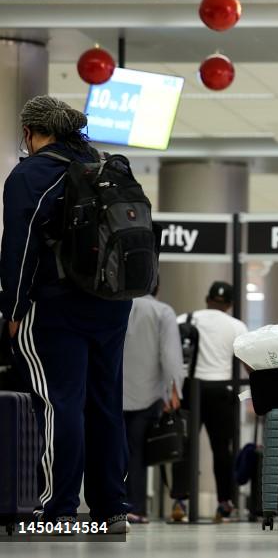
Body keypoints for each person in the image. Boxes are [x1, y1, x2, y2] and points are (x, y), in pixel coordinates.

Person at [0, 96, 133, 532]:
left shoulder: (31, 174)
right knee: (104, 403)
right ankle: (112, 509)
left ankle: (55, 510)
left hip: (56, 304)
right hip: (113, 304)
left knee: (60, 404)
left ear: (31, 133)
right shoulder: (107, 168)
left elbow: (20, 249)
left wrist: (14, 309)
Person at [170, 282, 248, 524]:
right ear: (231, 303)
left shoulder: (186, 318)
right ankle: (224, 504)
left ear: (207, 298)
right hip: (221, 392)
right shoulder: (236, 326)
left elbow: (171, 356)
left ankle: (180, 502)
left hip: (189, 390)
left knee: (183, 447)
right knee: (221, 450)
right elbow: (247, 359)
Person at [122, 283, 184, 524]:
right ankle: (134, 507)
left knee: (111, 451)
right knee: (136, 453)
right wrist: (173, 390)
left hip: (111, 393)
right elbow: (169, 355)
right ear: (157, 286)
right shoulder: (162, 312)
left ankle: (109, 506)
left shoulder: (114, 304)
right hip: (147, 395)